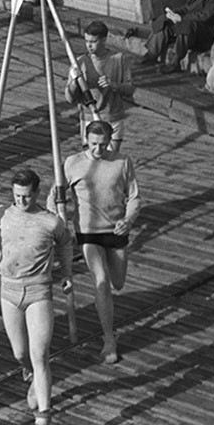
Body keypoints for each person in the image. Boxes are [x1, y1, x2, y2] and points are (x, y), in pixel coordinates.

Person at [0, 168, 74, 425]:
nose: (21, 201)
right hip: (8, 289)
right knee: (20, 353)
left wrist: (66, 274)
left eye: (27, 197)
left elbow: (66, 244)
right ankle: (29, 374)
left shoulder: (50, 221)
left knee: (40, 354)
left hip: (40, 289)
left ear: (37, 193)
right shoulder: (1, 214)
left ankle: (43, 421)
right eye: (17, 196)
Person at [62, 119, 141, 364]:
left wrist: (128, 220)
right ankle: (109, 339)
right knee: (102, 280)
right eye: (94, 144)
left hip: (116, 230)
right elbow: (55, 195)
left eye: (103, 145)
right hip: (87, 232)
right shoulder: (72, 163)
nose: (98, 150)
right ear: (86, 139)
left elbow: (135, 198)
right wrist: (58, 212)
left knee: (117, 282)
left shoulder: (121, 162)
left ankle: (108, 330)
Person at [66, 20, 136, 150]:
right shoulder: (79, 62)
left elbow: (130, 89)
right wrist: (75, 83)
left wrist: (115, 85)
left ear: (104, 40)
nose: (89, 46)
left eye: (93, 42)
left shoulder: (119, 59)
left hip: (113, 117)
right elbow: (70, 98)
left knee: (110, 161)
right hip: (88, 118)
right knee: (91, 161)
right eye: (86, 41)